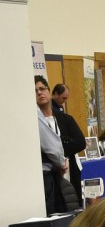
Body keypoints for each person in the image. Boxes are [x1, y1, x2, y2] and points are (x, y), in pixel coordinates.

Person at [35, 75, 75, 214]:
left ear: (48, 90)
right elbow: (51, 147)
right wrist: (60, 162)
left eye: (42, 88)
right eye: (35, 90)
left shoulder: (63, 117)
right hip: (46, 174)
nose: (39, 92)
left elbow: (79, 142)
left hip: (56, 172)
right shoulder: (35, 116)